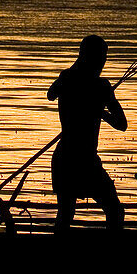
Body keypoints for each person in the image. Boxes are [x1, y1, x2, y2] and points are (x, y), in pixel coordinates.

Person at [48, 35, 127, 231]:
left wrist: (100, 112)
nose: (103, 61)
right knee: (112, 211)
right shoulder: (99, 86)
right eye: (102, 56)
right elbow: (51, 95)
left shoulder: (71, 79)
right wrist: (101, 111)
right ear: (90, 56)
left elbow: (122, 125)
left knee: (67, 214)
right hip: (75, 160)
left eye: (105, 57)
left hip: (76, 159)